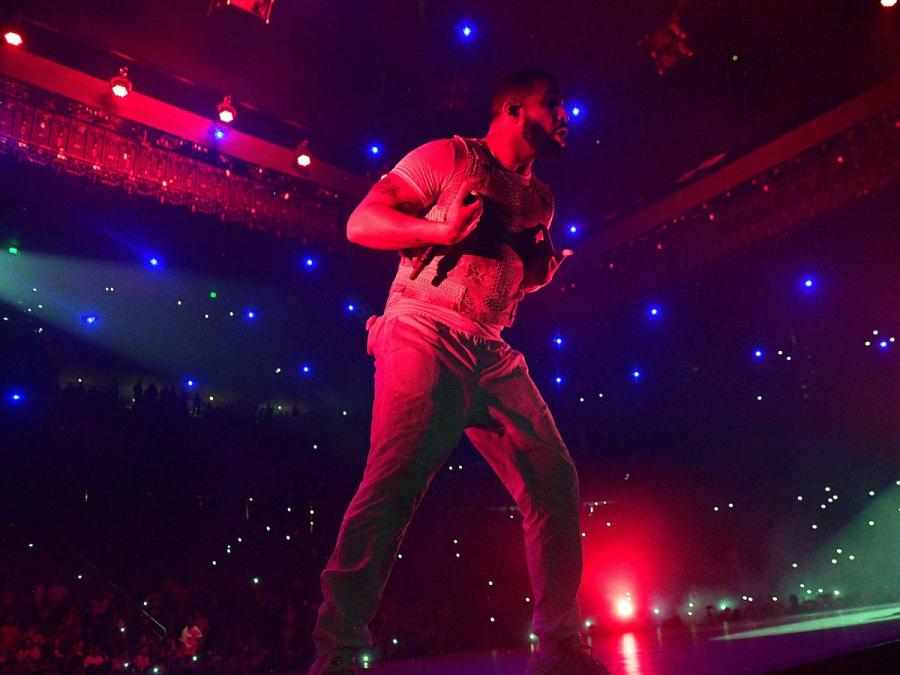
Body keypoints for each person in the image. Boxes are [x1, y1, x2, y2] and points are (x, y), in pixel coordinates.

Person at [308, 70, 609, 675]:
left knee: (554, 486)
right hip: (423, 329)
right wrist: (437, 229)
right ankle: (337, 655)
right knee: (393, 487)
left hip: (492, 351)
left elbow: (508, 278)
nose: (566, 116)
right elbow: (362, 223)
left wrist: (538, 276)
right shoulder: (447, 156)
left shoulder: (542, 199)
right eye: (556, 105)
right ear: (515, 109)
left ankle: (560, 653)